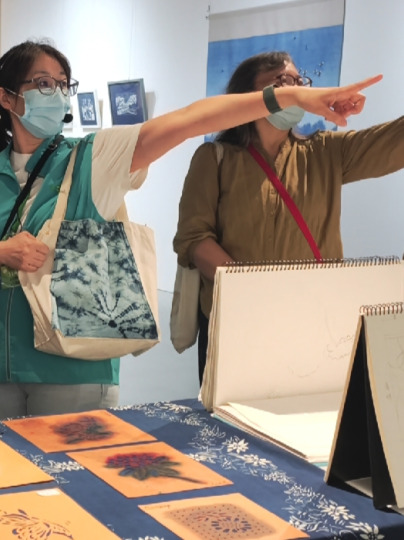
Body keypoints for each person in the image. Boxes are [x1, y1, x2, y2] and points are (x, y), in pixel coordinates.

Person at [0, 40, 379, 420]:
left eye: (63, 84)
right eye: (43, 84)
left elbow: (190, 120)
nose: (56, 94)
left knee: (75, 482)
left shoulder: (94, 158)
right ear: (6, 97)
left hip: (74, 365)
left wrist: (290, 96)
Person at [173, 51, 404, 383]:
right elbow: (194, 237)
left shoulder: (325, 153)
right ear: (248, 97)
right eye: (282, 82)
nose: (296, 90)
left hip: (312, 323)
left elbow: (392, 144)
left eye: (300, 82)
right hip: (237, 323)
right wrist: (250, 290)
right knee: (228, 413)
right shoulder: (215, 159)